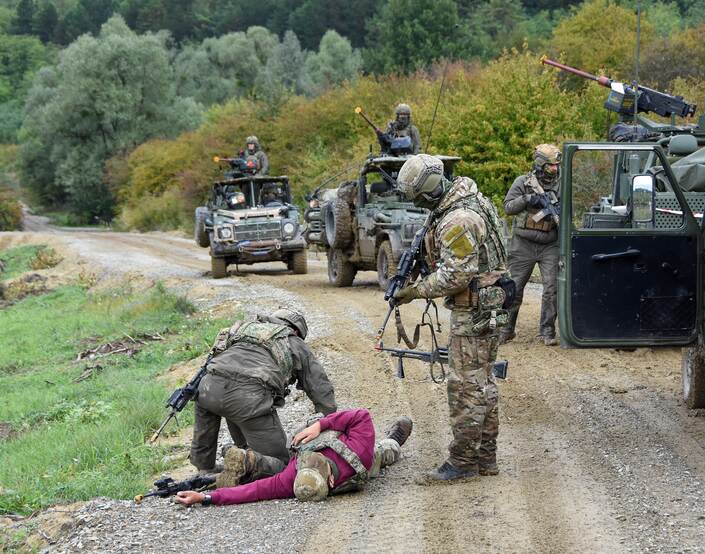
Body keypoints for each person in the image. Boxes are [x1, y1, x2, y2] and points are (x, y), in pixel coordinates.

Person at [393, 154, 511, 482]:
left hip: (475, 309)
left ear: (428, 192)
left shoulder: (457, 218)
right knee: (483, 383)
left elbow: (455, 276)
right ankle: (485, 459)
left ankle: (462, 463)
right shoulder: (469, 198)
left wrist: (416, 291)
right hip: (488, 305)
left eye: (417, 198)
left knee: (466, 387)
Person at [189, 309, 336, 486]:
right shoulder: (293, 341)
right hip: (247, 399)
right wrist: (329, 421)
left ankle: (205, 469)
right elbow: (320, 387)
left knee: (221, 404)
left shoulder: (242, 329)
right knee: (283, 465)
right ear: (296, 330)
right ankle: (244, 465)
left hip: (207, 387)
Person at [174, 409, 412, 505]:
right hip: (363, 462)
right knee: (381, 453)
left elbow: (253, 491)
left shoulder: (290, 478)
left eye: (303, 463)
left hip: (346, 450)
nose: (305, 459)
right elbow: (361, 416)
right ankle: (395, 441)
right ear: (330, 481)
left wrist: (204, 497)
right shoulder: (358, 450)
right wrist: (324, 424)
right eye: (309, 462)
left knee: (380, 453)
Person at [500, 144, 562, 346]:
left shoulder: (562, 184)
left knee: (551, 288)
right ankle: (506, 330)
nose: (555, 169)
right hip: (523, 244)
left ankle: (547, 331)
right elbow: (508, 207)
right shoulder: (523, 182)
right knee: (514, 288)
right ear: (541, 164)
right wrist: (529, 198)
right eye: (551, 165)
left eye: (556, 165)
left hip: (550, 244)